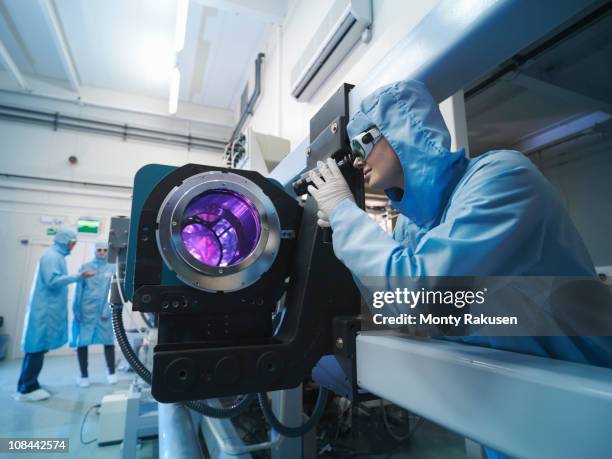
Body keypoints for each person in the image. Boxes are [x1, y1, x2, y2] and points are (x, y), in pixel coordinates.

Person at [307, 79, 612, 458]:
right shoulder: (412, 225)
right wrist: (343, 230)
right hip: (503, 406)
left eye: (364, 141)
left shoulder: (501, 177)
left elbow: (421, 297)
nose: (355, 159)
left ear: (405, 129)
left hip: (587, 389)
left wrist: (345, 217)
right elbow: (393, 304)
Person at [15, 228, 95, 401]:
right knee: (35, 350)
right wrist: (78, 277)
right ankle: (26, 389)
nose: (73, 247)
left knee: (38, 349)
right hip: (43, 312)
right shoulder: (52, 257)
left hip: (46, 311)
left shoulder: (57, 257)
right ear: (65, 241)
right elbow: (52, 281)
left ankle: (29, 383)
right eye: (72, 243)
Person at [71, 241, 117, 387]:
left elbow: (114, 292)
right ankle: (83, 376)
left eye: (104, 250)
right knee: (82, 343)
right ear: (94, 251)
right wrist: (76, 310)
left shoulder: (112, 268)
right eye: (99, 250)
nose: (102, 252)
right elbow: (78, 290)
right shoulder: (85, 268)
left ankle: (111, 373)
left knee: (108, 342)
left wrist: (107, 310)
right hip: (87, 312)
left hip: (105, 313)